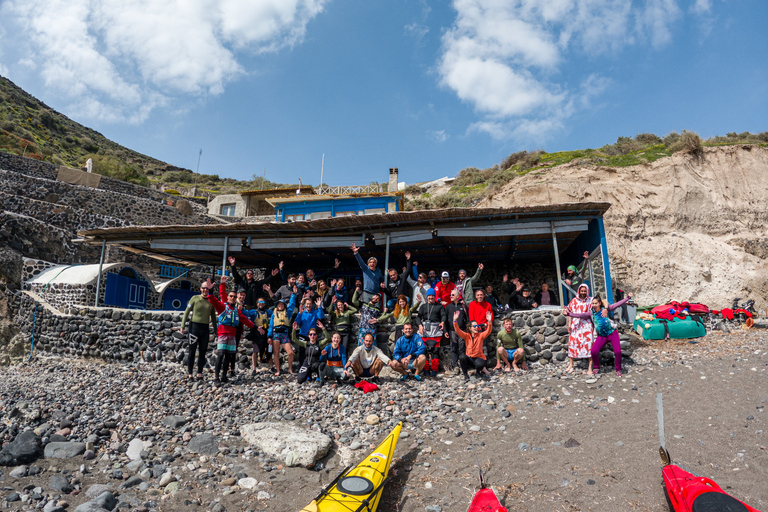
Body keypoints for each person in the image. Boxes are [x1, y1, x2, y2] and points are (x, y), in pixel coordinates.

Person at [566, 292, 632, 376]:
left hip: (612, 333)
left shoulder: (605, 309)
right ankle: (596, 367)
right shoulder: (591, 313)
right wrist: (569, 314)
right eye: (592, 303)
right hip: (602, 336)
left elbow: (617, 304)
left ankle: (618, 369)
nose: (594, 305)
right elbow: (580, 315)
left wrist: (628, 298)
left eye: (596, 303)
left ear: (599, 303)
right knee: (593, 351)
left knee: (618, 352)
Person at [206, 286, 255, 385]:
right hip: (223, 334)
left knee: (228, 356)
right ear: (228, 297)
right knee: (220, 354)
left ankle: (224, 376)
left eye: (234, 296)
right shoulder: (222, 307)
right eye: (231, 296)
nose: (232, 298)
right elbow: (213, 300)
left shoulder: (237, 311)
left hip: (232, 335)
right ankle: (216, 377)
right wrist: (211, 291)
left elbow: (245, 320)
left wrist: (256, 327)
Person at [180, 281, 217, 381]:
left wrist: (215, 329)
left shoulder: (211, 300)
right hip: (194, 327)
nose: (205, 290)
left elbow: (213, 316)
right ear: (200, 288)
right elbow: (187, 312)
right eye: (203, 288)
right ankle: (190, 374)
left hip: (205, 328)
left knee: (203, 351)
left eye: (207, 288)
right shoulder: (195, 298)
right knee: (192, 351)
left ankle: (200, 373)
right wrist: (182, 325)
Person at [563, 283, 594, 374]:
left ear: (587, 291)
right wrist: (569, 325)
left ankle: (590, 367)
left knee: (589, 345)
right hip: (575, 325)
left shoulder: (591, 300)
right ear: (579, 291)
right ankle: (571, 364)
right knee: (572, 343)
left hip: (586, 325)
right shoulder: (573, 301)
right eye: (582, 291)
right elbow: (569, 312)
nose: (583, 292)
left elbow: (600, 303)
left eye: (585, 291)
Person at [453, 310, 493, 381]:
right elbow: (457, 330)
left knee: (481, 363)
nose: (476, 327)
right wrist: (455, 320)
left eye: (477, 326)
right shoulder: (466, 336)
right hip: (470, 358)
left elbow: (488, 331)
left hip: (479, 358)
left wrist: (489, 321)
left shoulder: (481, 335)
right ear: (470, 328)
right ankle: (465, 375)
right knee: (462, 357)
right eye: (474, 326)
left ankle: (478, 372)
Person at [415, 289, 446, 376]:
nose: (431, 297)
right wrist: (420, 325)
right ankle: (426, 369)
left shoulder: (439, 306)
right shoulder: (423, 306)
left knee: (435, 351)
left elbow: (443, 315)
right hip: (425, 330)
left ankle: (434, 369)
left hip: (436, 330)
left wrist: (442, 322)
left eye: (432, 296)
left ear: (434, 296)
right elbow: (418, 317)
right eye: (429, 296)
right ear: (427, 296)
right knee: (424, 350)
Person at [267, 294, 298, 376]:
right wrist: (269, 336)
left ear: (284, 306)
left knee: (290, 352)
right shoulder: (273, 314)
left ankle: (290, 369)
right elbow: (271, 326)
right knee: (276, 354)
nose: (280, 305)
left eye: (282, 304)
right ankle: (278, 370)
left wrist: (293, 295)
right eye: (279, 304)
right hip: (275, 334)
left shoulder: (287, 313)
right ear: (277, 306)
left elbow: (291, 305)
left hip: (284, 334)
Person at [444, 289, 468, 373]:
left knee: (462, 347)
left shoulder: (463, 306)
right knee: (453, 347)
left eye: (453, 295)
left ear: (458, 296)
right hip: (452, 330)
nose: (451, 296)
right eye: (450, 295)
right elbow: (445, 320)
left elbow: (467, 318)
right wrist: (445, 331)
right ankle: (455, 366)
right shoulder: (448, 307)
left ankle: (463, 364)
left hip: (462, 330)